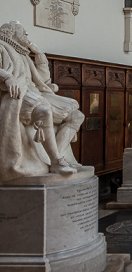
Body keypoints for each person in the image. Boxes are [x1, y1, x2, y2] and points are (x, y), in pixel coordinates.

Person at [0, 20, 84, 181]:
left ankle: (56, 156)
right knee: (44, 111)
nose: (26, 34)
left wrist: (39, 55)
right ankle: (56, 161)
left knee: (77, 116)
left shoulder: (24, 54)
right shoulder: (2, 47)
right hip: (18, 95)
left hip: (37, 93)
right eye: (22, 30)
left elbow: (42, 80)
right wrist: (8, 78)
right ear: (11, 33)